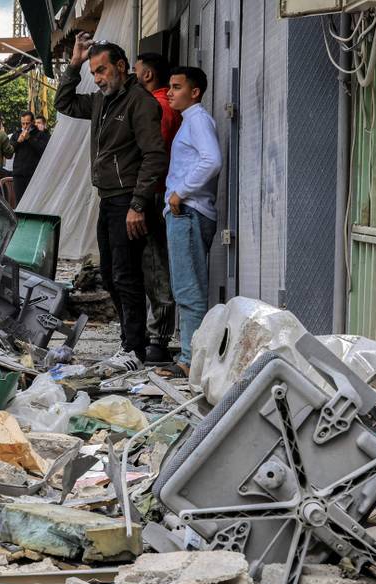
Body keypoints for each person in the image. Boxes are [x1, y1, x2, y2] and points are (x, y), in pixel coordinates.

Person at [55, 33, 167, 372]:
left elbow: (155, 156)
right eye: (94, 73)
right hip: (109, 198)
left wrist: (137, 205)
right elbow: (64, 103)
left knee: (126, 275)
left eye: (103, 70)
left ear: (121, 66)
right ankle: (131, 341)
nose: (99, 79)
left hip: (129, 202)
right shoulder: (103, 101)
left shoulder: (139, 102)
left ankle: (133, 347)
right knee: (110, 273)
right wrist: (74, 64)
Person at [157, 66, 222, 378]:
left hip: (188, 212)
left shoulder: (196, 119)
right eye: (169, 86)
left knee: (188, 289)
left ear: (194, 92)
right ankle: (189, 356)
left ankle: (188, 360)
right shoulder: (191, 121)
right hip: (187, 211)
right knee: (187, 287)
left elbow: (212, 159)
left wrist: (179, 193)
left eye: (177, 87)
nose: (170, 92)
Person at [133, 52, 182, 364]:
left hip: (156, 193)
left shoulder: (158, 106)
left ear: (147, 74)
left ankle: (157, 339)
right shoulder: (162, 104)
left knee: (156, 267)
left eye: (136, 71)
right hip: (159, 192)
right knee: (154, 265)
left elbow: (154, 154)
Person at [10, 111, 50, 201]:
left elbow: (43, 150)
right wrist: (18, 142)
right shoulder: (16, 134)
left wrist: (29, 139)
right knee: (19, 202)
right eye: (23, 123)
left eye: (27, 123)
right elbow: (10, 150)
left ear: (32, 123)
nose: (24, 126)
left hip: (34, 175)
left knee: (33, 202)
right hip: (19, 175)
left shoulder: (41, 135)